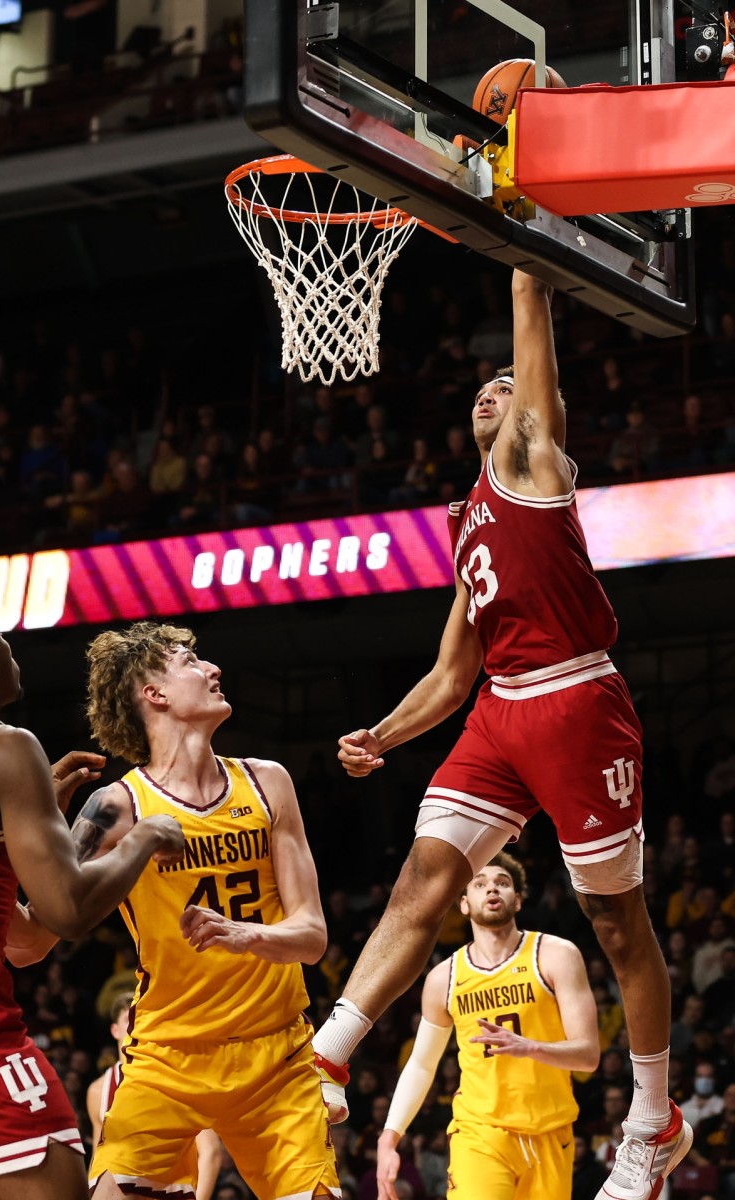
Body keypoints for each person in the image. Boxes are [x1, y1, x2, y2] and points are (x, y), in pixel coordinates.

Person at [313, 269, 693, 1200]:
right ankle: (325, 1054)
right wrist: (383, 735)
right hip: (500, 709)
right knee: (421, 877)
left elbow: (533, 330)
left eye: (505, 386)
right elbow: (452, 672)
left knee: (613, 917)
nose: (493, 392)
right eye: (477, 392)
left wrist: (522, 252)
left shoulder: (534, 467)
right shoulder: (467, 521)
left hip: (574, 702)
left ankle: (655, 1119)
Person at [32, 619, 339, 1200]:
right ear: (155, 694)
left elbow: (312, 935)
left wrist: (242, 935)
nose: (213, 668)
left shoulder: (268, 782)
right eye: (190, 661)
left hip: (277, 1054)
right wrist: (26, 835)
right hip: (169, 1055)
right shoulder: (117, 807)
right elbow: (30, 940)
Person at [0, 591, 185, 1200]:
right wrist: (142, 837)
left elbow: (20, 941)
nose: (12, 651)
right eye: (4, 640)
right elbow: (67, 911)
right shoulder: (1, 746)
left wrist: (28, 832)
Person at [376, 854, 599, 1200]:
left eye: (502, 882)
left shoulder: (555, 955)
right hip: (480, 1132)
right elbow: (422, 1064)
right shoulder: (444, 978)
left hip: (551, 1131)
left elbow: (587, 1055)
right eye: (480, 883)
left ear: (518, 900)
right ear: (464, 904)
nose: (492, 887)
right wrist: (390, 1136)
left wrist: (532, 1047)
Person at [87, 992, 224, 1200]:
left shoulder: (175, 1074)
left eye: (139, 1016)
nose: (135, 1024)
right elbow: (98, 1159)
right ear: (114, 1030)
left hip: (172, 1190)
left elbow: (210, 1152)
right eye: (128, 1019)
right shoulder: (99, 1090)